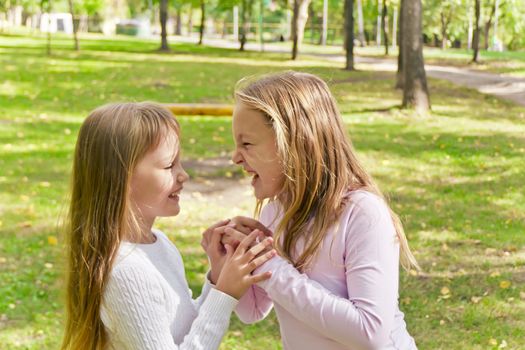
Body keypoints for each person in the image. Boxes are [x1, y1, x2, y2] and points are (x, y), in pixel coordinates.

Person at [216, 71, 419, 350]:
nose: (235, 157)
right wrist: (227, 261)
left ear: (296, 143)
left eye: (247, 143)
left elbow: (370, 333)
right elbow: (252, 311)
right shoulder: (276, 213)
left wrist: (272, 266)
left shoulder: (361, 213)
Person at [60, 102, 275, 350]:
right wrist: (224, 294)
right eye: (169, 165)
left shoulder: (159, 243)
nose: (183, 175)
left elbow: (183, 331)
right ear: (121, 176)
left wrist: (217, 278)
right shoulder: (125, 270)